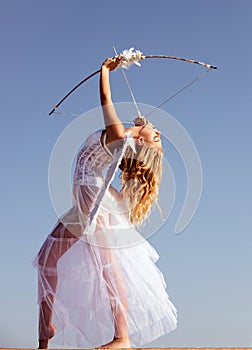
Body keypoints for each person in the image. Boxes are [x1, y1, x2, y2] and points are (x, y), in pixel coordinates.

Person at [33, 56, 177, 349]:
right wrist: (140, 127)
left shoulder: (117, 135)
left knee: (108, 265)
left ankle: (122, 337)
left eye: (157, 138)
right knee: (46, 258)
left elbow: (105, 98)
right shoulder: (125, 136)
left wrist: (105, 71)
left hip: (92, 201)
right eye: (159, 135)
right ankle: (45, 330)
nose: (158, 132)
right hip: (86, 200)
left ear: (142, 143)